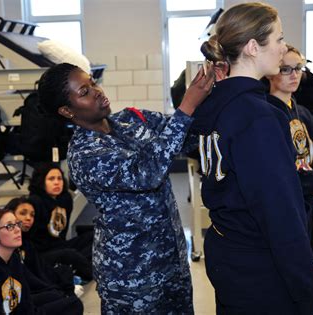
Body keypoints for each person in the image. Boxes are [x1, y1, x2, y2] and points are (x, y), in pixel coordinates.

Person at [36, 59, 214, 313]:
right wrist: (187, 105)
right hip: (131, 277)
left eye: (93, 83)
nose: (97, 92)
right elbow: (147, 173)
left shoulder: (132, 120)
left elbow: (186, 137)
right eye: (84, 92)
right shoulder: (86, 154)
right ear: (67, 111)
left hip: (171, 262)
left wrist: (216, 90)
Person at [192, 2, 313, 314]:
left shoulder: (213, 104)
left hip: (227, 250)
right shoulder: (258, 116)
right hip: (259, 264)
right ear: (253, 47)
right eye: (278, 39)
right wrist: (308, 296)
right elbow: (280, 214)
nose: (282, 48)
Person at [267, 44, 313, 262]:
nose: (294, 74)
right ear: (270, 72)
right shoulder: (264, 115)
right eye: (286, 69)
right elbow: (277, 177)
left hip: (306, 211)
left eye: (298, 68)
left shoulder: (304, 114)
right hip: (280, 215)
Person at [0, 209, 82, 315]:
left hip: (17, 309)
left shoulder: (12, 259)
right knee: (72, 304)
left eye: (17, 224)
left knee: (68, 301)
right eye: (10, 226)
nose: (18, 230)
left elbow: (25, 300)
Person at [5, 197, 82, 297]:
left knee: (65, 270)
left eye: (32, 215)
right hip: (21, 293)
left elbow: (39, 269)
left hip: (37, 281)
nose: (28, 218)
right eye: (23, 213)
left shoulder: (27, 242)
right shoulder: (6, 244)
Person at [28, 163, 93, 281]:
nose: (57, 182)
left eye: (59, 178)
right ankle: (86, 272)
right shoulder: (33, 202)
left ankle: (75, 268)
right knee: (69, 255)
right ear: (41, 182)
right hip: (42, 252)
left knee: (94, 237)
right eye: (51, 179)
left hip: (59, 245)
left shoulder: (65, 199)